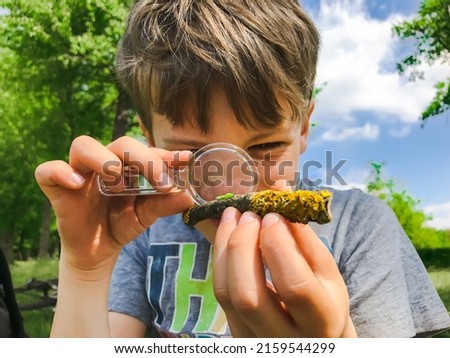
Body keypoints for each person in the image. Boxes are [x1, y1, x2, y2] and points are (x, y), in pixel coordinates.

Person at [35, 0, 450, 338]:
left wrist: (337, 339)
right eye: (194, 154)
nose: (234, 184)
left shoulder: (360, 227)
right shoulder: (139, 236)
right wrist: (85, 269)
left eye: (267, 145)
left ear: (303, 129)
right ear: (149, 139)